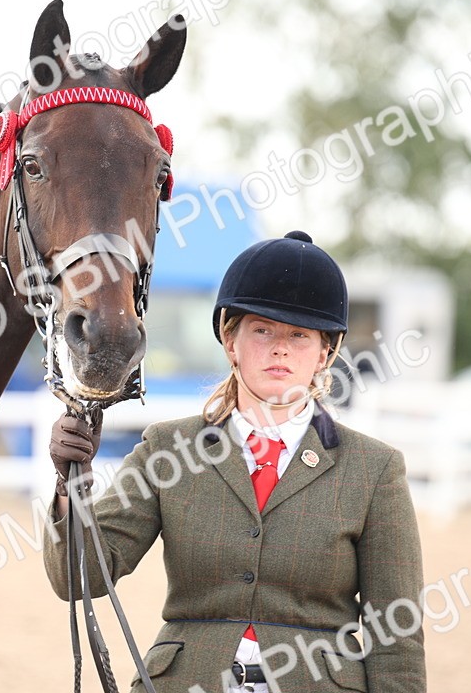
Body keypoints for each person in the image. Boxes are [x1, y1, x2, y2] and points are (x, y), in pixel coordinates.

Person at [44, 231, 426, 693]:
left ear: (326, 352)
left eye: (299, 335)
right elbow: (76, 578)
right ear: (231, 341)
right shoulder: (167, 448)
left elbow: (396, 634)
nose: (280, 348)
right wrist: (71, 485)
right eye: (262, 330)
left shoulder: (374, 469)